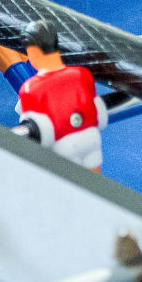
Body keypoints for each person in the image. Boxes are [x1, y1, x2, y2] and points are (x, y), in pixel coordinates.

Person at [14, 21, 107, 172]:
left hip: (63, 147)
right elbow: (92, 109)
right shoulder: (82, 74)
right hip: (90, 138)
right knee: (96, 186)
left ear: (33, 52)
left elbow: (38, 131)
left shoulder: (30, 89)